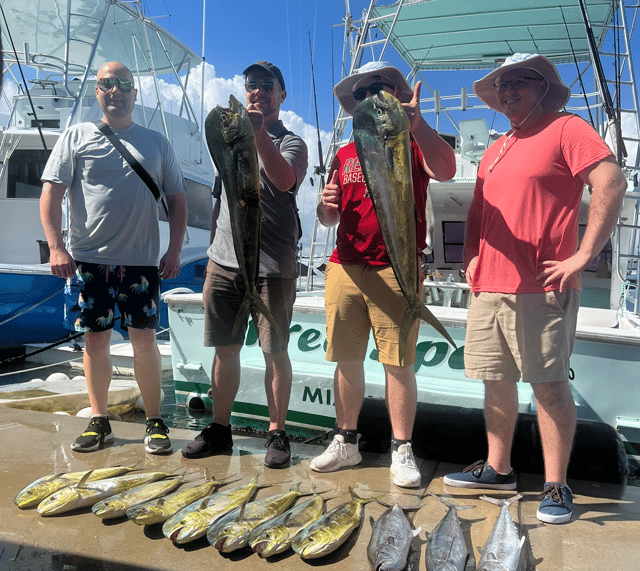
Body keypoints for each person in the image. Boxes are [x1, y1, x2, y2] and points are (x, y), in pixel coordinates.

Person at [442, 53, 627, 523]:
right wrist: (469, 259)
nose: (506, 91)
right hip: (488, 289)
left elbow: (610, 180)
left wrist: (584, 255)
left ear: (543, 86)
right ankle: (497, 469)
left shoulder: (566, 128)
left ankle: (555, 485)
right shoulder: (497, 146)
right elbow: (479, 211)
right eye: (500, 85)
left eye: (518, 82)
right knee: (495, 383)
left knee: (548, 388)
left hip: (540, 285)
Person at [309, 61, 457, 488]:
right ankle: (346, 441)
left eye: (382, 87)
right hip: (344, 266)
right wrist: (325, 207)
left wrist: (418, 126)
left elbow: (445, 169)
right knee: (347, 359)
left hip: (396, 269)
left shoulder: (412, 141)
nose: (372, 95)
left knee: (398, 364)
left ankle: (402, 447)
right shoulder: (345, 150)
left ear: (398, 92)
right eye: (363, 92)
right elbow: (327, 218)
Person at [40, 61, 188, 455]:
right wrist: (56, 246)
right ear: (97, 91)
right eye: (107, 83)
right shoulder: (75, 137)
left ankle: (155, 423)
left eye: (124, 83)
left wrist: (174, 249)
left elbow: (177, 200)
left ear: (134, 93)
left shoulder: (157, 143)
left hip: (141, 261)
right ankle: (99, 420)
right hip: (90, 260)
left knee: (144, 341)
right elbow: (51, 195)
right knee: (95, 341)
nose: (115, 90)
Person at [182, 61, 308, 469]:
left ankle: (277, 432)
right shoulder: (229, 138)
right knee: (225, 349)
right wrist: (214, 253)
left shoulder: (292, 142)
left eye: (268, 85)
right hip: (224, 262)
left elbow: (284, 179)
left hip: (273, 266)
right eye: (251, 85)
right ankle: (220, 429)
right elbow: (223, 198)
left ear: (282, 95)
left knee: (276, 352)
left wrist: (256, 134)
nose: (258, 91)